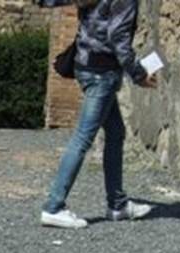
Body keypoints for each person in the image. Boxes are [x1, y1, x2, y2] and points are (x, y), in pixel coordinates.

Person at [40, 0, 157, 229]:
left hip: (86, 65)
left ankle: (118, 204)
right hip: (102, 74)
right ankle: (53, 207)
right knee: (83, 138)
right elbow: (118, 38)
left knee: (115, 133)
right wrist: (138, 74)